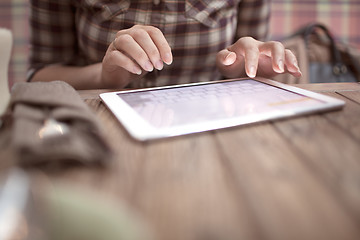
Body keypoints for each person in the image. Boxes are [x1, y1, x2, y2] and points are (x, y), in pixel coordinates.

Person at [28, 0, 301, 90]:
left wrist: (243, 66)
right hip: (95, 130)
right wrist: (104, 76)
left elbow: (247, 55)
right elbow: (39, 76)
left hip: (213, 134)